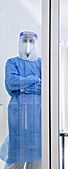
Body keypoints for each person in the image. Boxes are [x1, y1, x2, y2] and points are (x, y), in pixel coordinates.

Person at [1, 31, 42, 169]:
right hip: (18, 113)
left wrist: (23, 88)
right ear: (19, 42)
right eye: (25, 40)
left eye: (31, 41)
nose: (28, 44)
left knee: (37, 158)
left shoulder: (42, 64)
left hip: (37, 114)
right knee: (16, 155)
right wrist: (34, 79)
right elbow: (12, 83)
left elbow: (45, 87)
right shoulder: (12, 63)